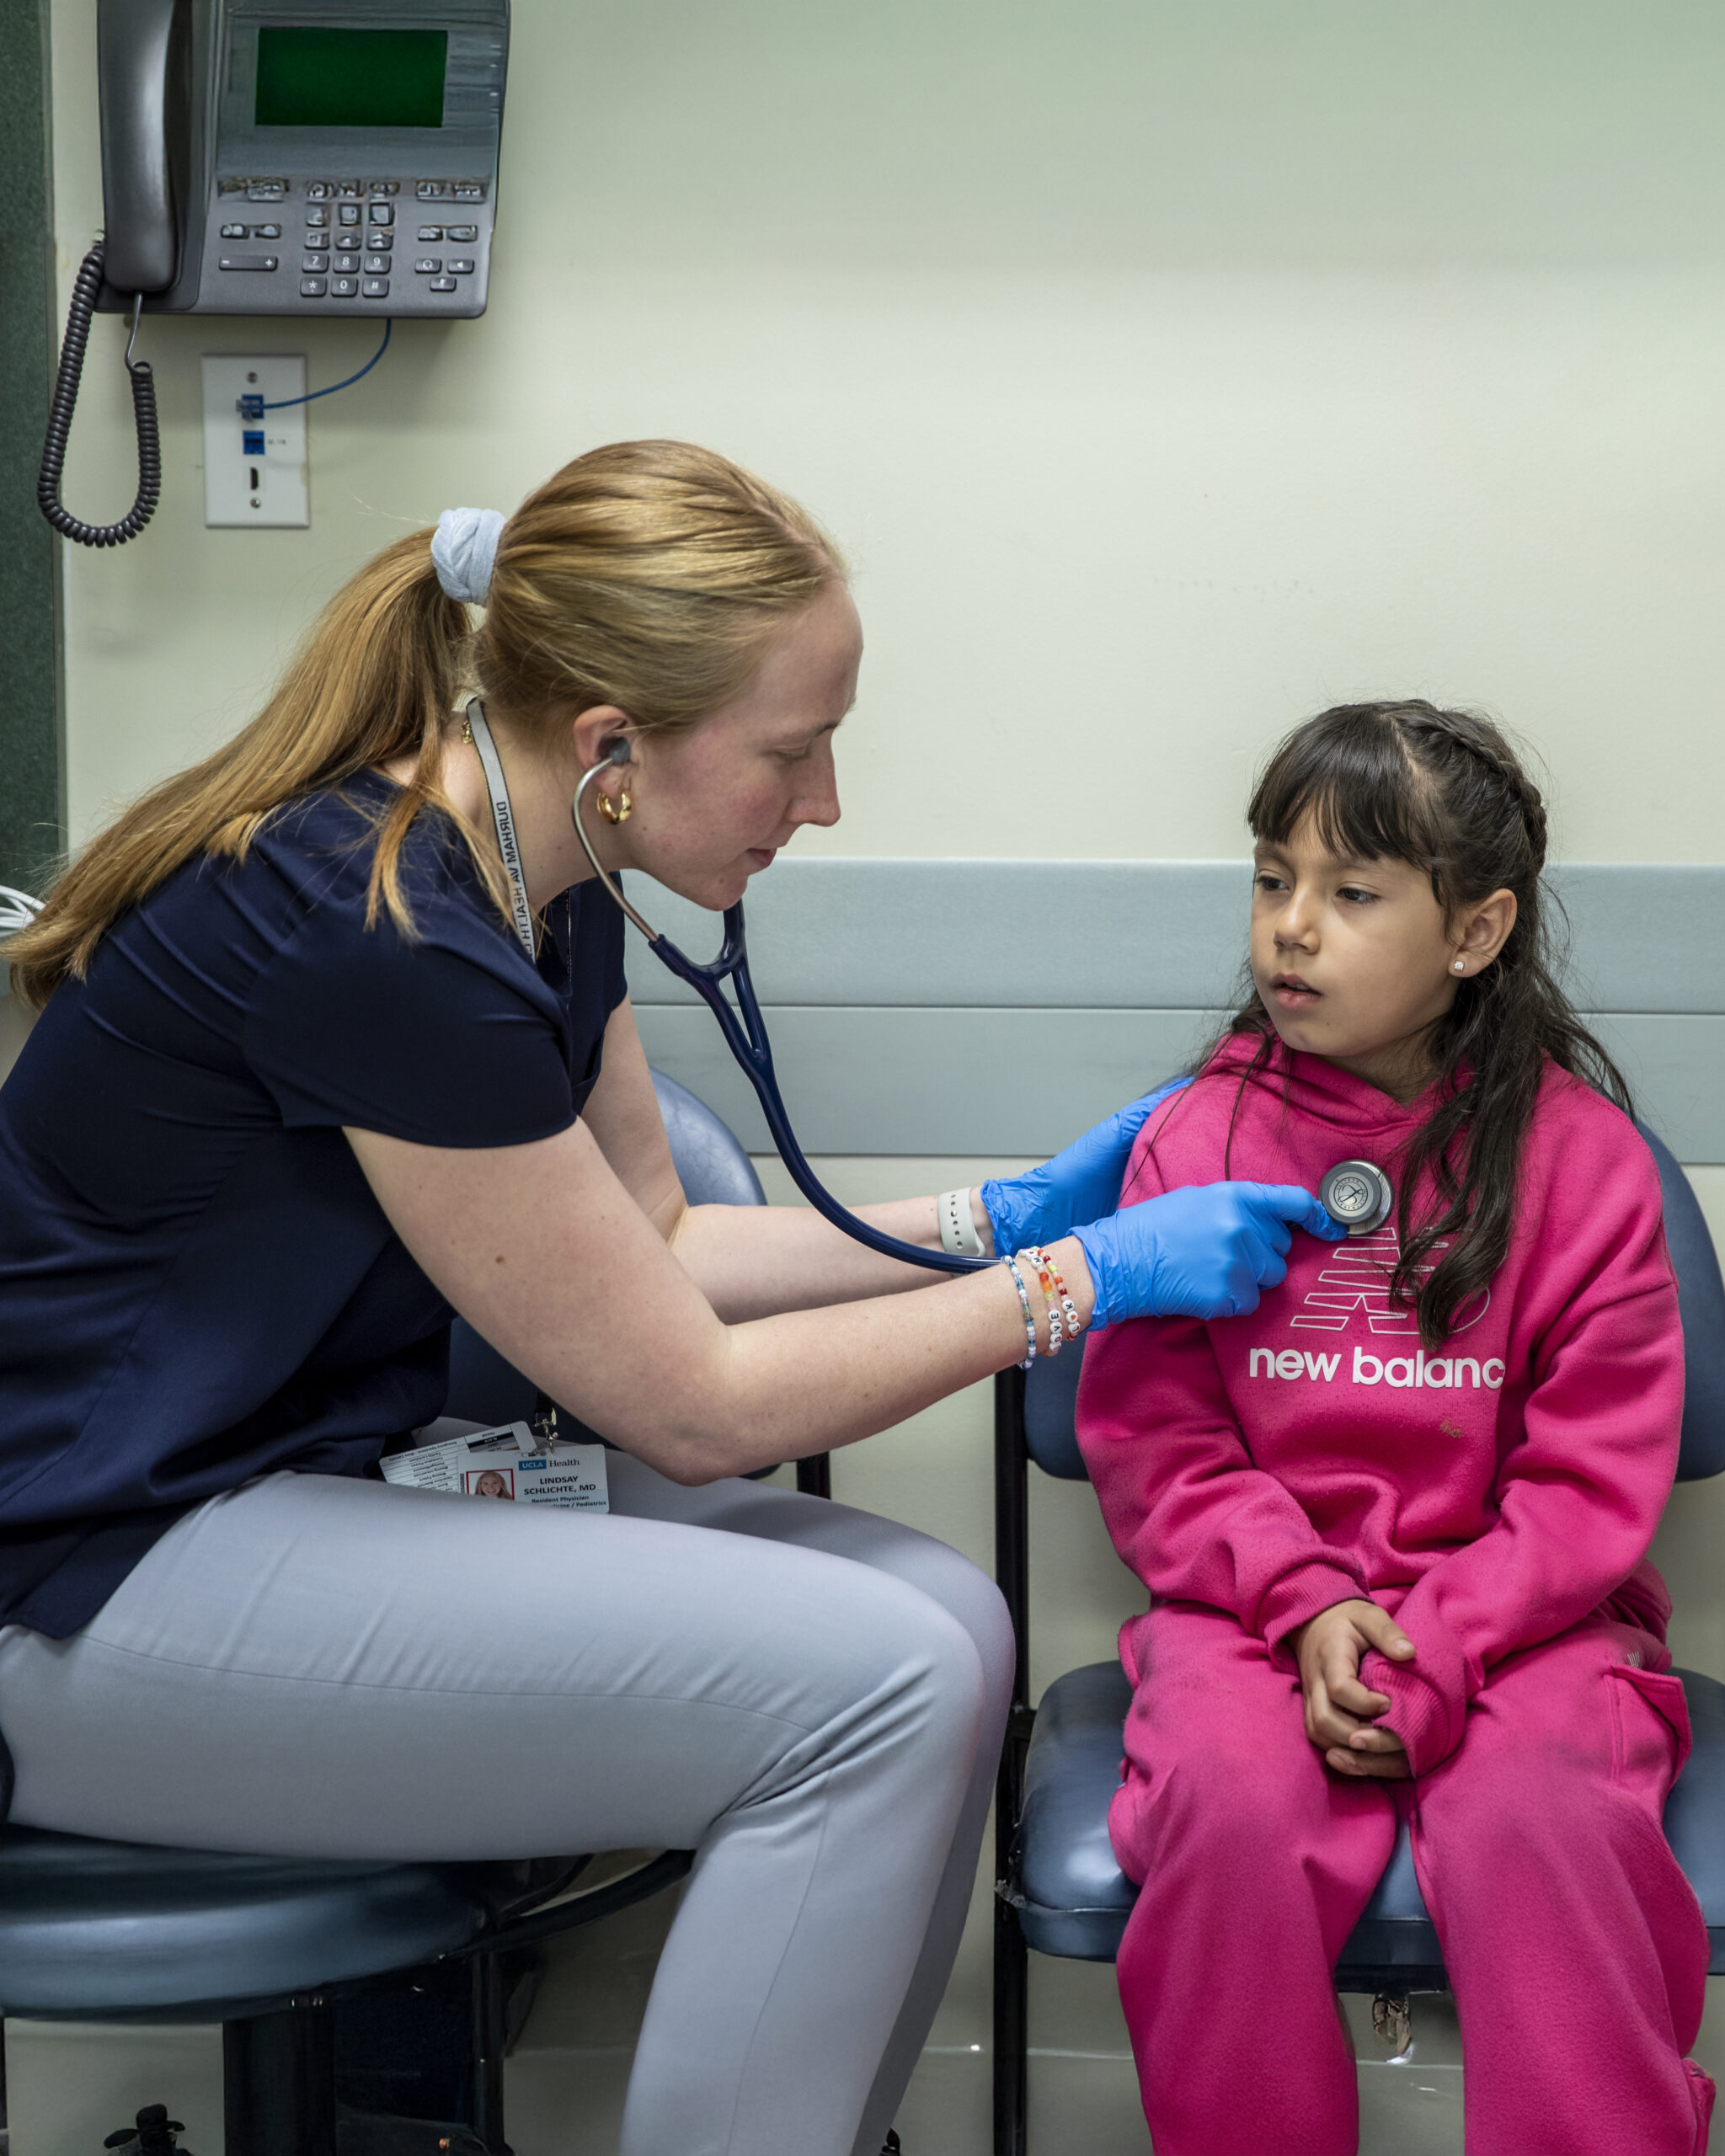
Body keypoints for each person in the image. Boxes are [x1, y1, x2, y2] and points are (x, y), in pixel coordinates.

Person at [0, 439, 1338, 2156]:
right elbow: (692, 1404)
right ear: (611, 748)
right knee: (878, 1685)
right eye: (795, 749)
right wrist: (1074, 1282)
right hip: (78, 1578)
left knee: (952, 1618)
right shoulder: (380, 926)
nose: (827, 799)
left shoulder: (533, 889)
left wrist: (991, 1211)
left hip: (258, 1497)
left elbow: (660, 1239)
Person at [1076, 700, 1715, 2156]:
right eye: (1271, 879)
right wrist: (1308, 1607)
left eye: (1352, 893)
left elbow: (1589, 1481)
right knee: (1229, 1813)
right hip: (1253, 1614)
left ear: (1476, 933)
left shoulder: (1584, 1162)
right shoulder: (1194, 1142)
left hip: (1530, 1622)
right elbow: (1160, 1444)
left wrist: (1437, 1642)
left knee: (1542, 1823)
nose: (1293, 928)